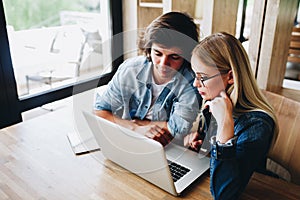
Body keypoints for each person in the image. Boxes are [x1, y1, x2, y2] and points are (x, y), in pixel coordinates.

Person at [184, 32, 278, 199]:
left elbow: (224, 194)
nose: (195, 83)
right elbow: (216, 158)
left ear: (231, 77)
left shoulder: (256, 125)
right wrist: (205, 147)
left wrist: (225, 125)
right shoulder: (215, 102)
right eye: (195, 75)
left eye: (202, 77)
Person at [94, 12, 201, 146]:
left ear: (186, 56)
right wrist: (134, 128)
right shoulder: (130, 69)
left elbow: (178, 129)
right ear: (149, 50)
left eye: (174, 57)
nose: (163, 64)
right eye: (157, 53)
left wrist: (135, 124)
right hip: (128, 138)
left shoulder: (193, 82)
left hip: (167, 147)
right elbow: (100, 112)